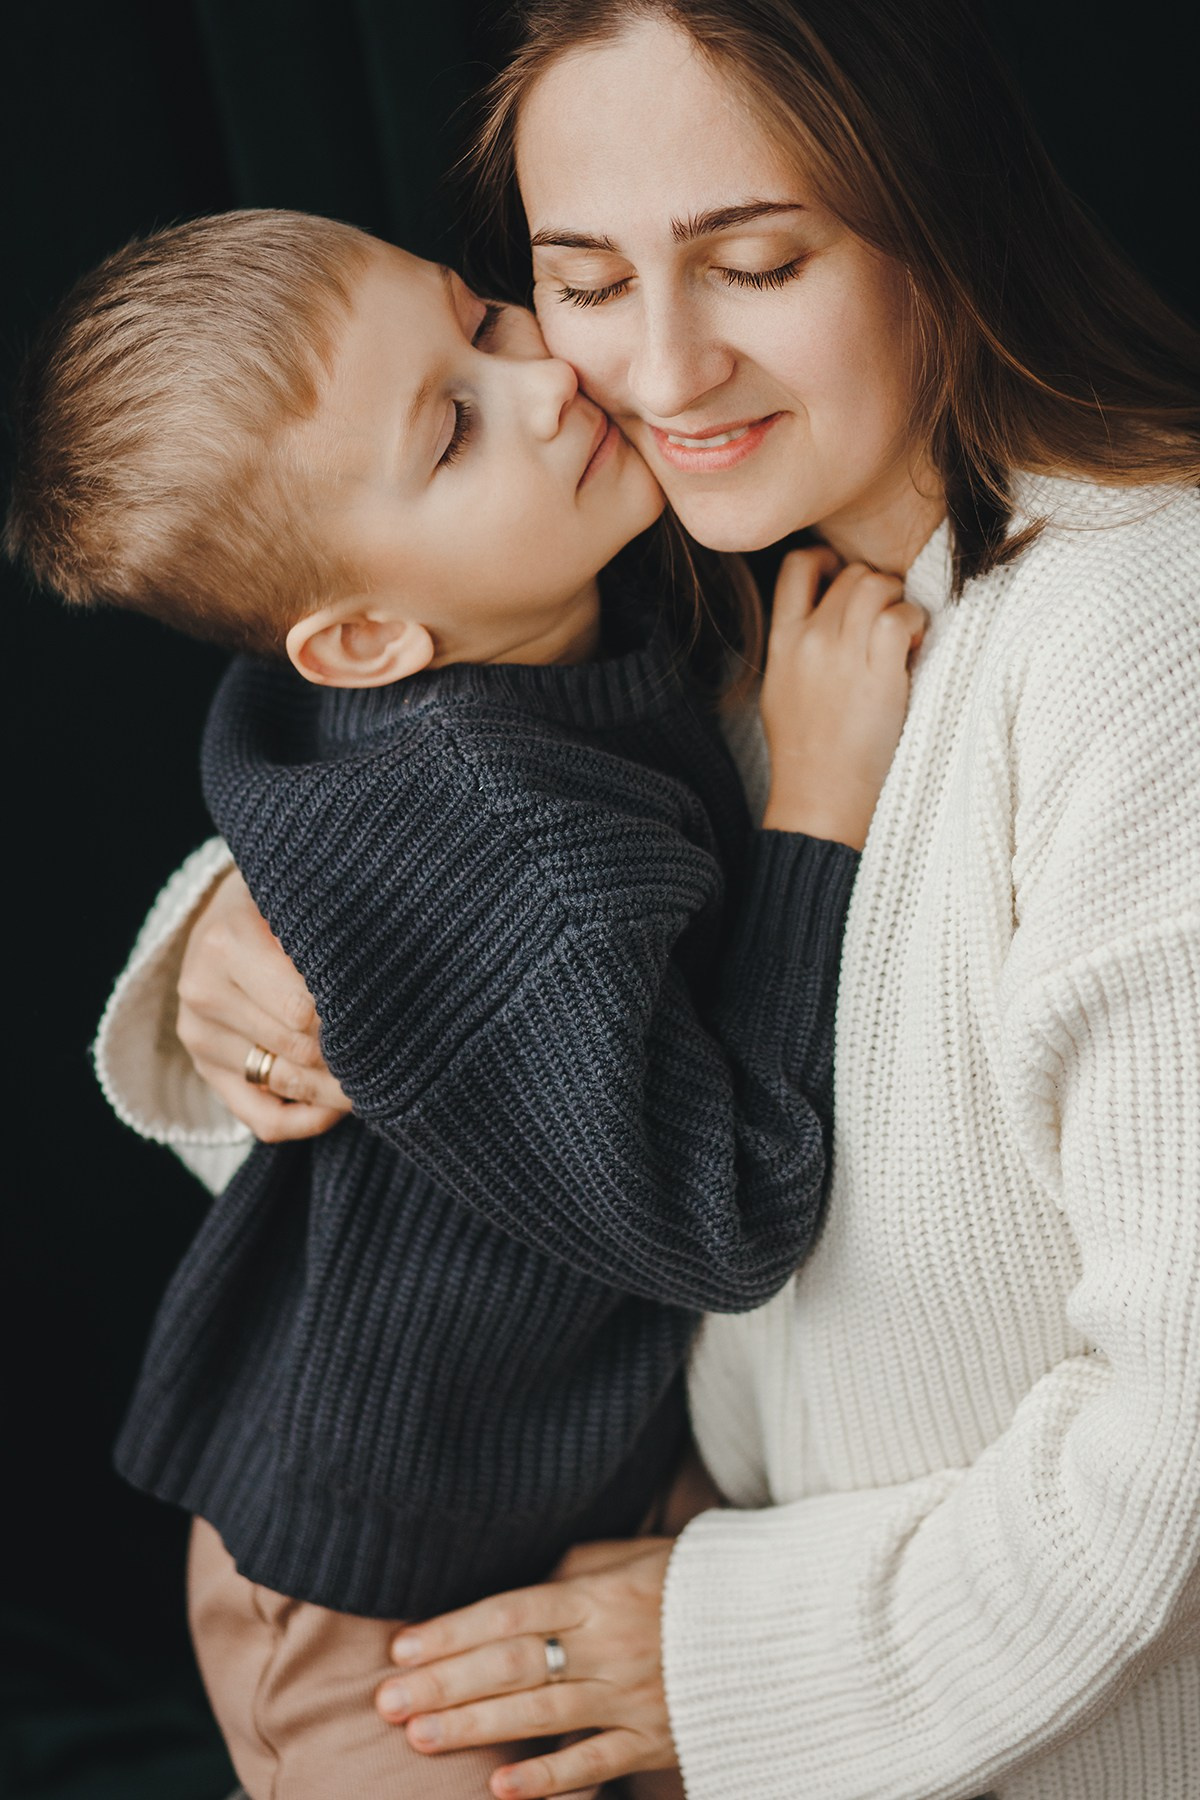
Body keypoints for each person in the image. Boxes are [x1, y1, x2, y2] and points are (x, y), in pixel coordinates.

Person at [87, 0, 1199, 1796]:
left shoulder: (1146, 653)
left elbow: (1186, 1430)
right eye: (581, 280)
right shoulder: (669, 560)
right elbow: (432, 850)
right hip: (420, 1564)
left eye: (755, 262)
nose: (653, 377)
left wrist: (737, 1656)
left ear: (940, 213)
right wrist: (243, 931)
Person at [6, 205, 925, 1800]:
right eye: (451, 431)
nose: (550, 383)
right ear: (365, 638)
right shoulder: (509, 852)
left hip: (549, 1483)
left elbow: (270, 726)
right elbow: (726, 1211)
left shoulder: (511, 626)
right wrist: (820, 809)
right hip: (378, 1602)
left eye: (484, 321)